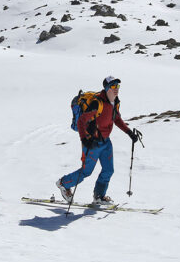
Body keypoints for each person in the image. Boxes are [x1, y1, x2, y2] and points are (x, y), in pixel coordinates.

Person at [57, 76, 142, 205]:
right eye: (113, 86)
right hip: (92, 143)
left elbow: (116, 119)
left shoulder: (115, 102)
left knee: (108, 170)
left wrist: (129, 133)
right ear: (107, 88)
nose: (116, 89)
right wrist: (85, 140)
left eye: (117, 86)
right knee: (86, 172)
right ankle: (63, 183)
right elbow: (81, 121)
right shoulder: (97, 103)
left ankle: (99, 196)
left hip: (106, 142)